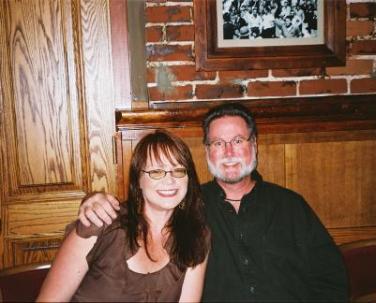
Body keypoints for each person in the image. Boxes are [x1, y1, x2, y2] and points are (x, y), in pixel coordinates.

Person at [75, 103, 349, 301]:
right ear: (207, 151)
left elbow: (331, 280)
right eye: (218, 143)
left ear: (254, 145)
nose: (228, 152)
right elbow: (142, 206)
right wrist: (95, 200)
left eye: (238, 140)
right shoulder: (185, 204)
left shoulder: (291, 206)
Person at [37, 130, 210, 302]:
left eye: (179, 170)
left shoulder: (196, 236)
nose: (170, 180)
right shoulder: (101, 222)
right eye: (156, 171)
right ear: (139, 181)